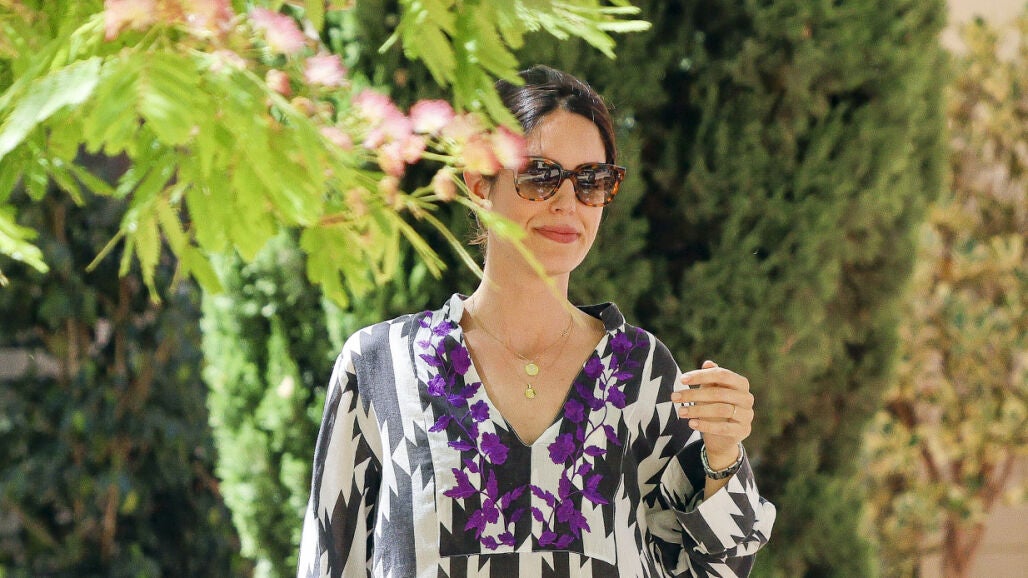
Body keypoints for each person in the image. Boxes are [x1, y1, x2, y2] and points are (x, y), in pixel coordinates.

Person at [297, 65, 776, 578]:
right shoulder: (380, 367)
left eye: (592, 181)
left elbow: (716, 570)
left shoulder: (639, 373)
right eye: (541, 175)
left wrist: (721, 455)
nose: (567, 202)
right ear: (479, 183)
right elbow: (328, 562)